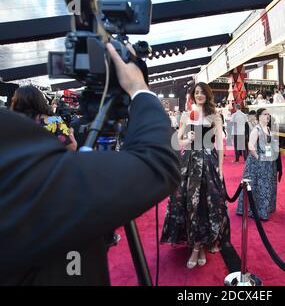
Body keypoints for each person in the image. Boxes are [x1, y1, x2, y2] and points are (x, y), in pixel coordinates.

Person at [0, 43, 180, 285]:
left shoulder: (14, 124)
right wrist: (139, 89)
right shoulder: (50, 120)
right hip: (66, 194)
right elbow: (156, 162)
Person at [161, 82, 230, 269]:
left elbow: (220, 146)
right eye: (196, 92)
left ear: (208, 95)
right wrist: (187, 139)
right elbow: (176, 142)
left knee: (209, 204)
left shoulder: (215, 116)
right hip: (189, 164)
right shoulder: (186, 115)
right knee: (190, 203)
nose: (199, 95)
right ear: (193, 95)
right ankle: (196, 246)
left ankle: (204, 243)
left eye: (202, 92)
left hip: (209, 163)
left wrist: (221, 169)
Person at [236, 108, 279, 220]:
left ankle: (264, 209)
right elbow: (250, 145)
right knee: (256, 185)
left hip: (268, 162)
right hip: (257, 163)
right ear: (259, 116)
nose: (268, 116)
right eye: (265, 114)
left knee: (266, 185)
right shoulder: (257, 129)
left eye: (269, 114)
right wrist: (258, 157)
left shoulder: (268, 129)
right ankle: (252, 210)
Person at [10, 85, 78, 151]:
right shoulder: (53, 120)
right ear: (40, 101)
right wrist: (71, 134)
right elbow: (71, 147)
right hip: (46, 161)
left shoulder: (10, 121)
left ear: (16, 101)